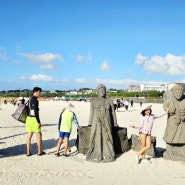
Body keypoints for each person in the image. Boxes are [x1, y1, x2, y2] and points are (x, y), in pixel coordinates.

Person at [86, 84, 118, 162]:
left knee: (107, 137)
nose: (102, 92)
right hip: (96, 121)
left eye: (103, 90)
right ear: (97, 92)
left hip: (107, 121)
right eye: (100, 90)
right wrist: (90, 122)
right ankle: (98, 154)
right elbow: (91, 112)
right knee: (97, 137)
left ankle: (108, 154)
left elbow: (113, 112)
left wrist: (115, 122)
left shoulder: (109, 100)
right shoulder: (94, 101)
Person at [26, 87, 45, 156]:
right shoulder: (35, 100)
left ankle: (28, 152)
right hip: (34, 119)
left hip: (28, 119)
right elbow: (35, 112)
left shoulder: (30, 99)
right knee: (38, 135)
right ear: (36, 92)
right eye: (39, 92)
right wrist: (38, 121)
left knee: (29, 136)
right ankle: (39, 151)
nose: (40, 94)